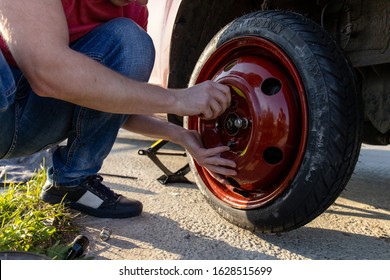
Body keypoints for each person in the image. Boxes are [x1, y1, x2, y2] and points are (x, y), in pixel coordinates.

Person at [0, 0, 236, 219]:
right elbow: (47, 74)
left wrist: (181, 136)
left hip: (36, 122)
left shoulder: (133, 10)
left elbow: (121, 104)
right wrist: (176, 99)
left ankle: (72, 183)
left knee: (131, 40)